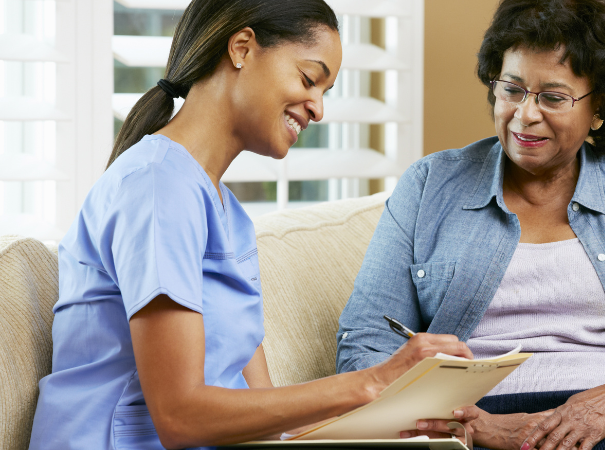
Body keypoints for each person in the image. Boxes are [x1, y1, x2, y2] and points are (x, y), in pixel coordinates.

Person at [28, 1, 474, 449]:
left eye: (326, 90)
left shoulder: (229, 216)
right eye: (308, 78)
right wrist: (371, 381)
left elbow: (267, 415)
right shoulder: (157, 187)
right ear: (242, 48)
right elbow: (179, 417)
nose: (318, 109)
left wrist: (395, 415)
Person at [335, 0, 605, 449]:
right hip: (464, 421)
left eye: (553, 97)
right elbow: (364, 350)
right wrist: (463, 425)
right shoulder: (429, 186)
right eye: (511, 89)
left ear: (600, 107)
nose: (525, 114)